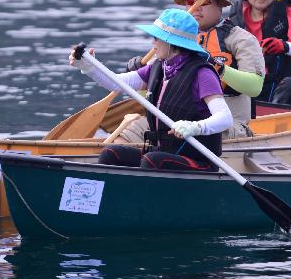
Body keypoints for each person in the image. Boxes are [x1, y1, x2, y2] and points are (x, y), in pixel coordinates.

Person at [69, 9, 232, 172]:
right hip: (162, 154)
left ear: (171, 42)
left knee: (152, 160)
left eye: (156, 38)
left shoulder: (202, 74)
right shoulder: (158, 68)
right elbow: (117, 83)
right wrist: (89, 68)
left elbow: (225, 119)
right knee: (111, 154)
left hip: (197, 161)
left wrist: (196, 127)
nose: (152, 43)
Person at [123, 0, 265, 140]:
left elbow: (254, 87)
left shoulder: (242, 39)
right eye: (190, 1)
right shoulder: (174, 40)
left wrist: (216, 66)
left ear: (220, 4)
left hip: (227, 126)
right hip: (174, 122)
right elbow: (147, 99)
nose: (195, 7)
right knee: (134, 128)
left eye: (203, 1)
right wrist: (141, 78)